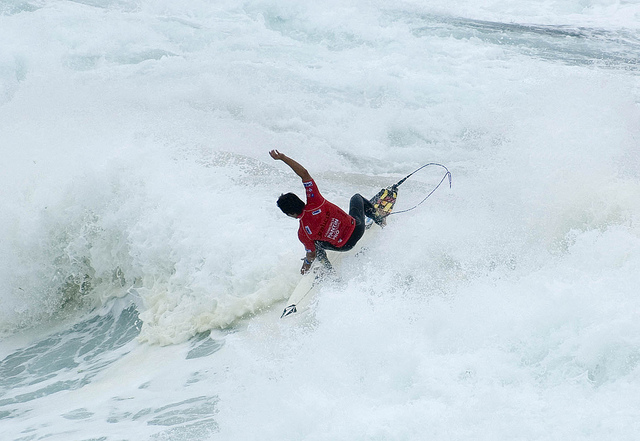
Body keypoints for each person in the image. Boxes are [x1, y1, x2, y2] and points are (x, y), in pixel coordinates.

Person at [269, 150, 379, 274]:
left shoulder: (303, 232)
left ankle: (329, 273)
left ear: (289, 214)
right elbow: (304, 174)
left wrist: (306, 266)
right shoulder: (316, 200)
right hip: (357, 229)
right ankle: (380, 219)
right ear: (299, 200)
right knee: (356, 197)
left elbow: (311, 255)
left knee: (315, 246)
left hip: (346, 245)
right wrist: (283, 158)